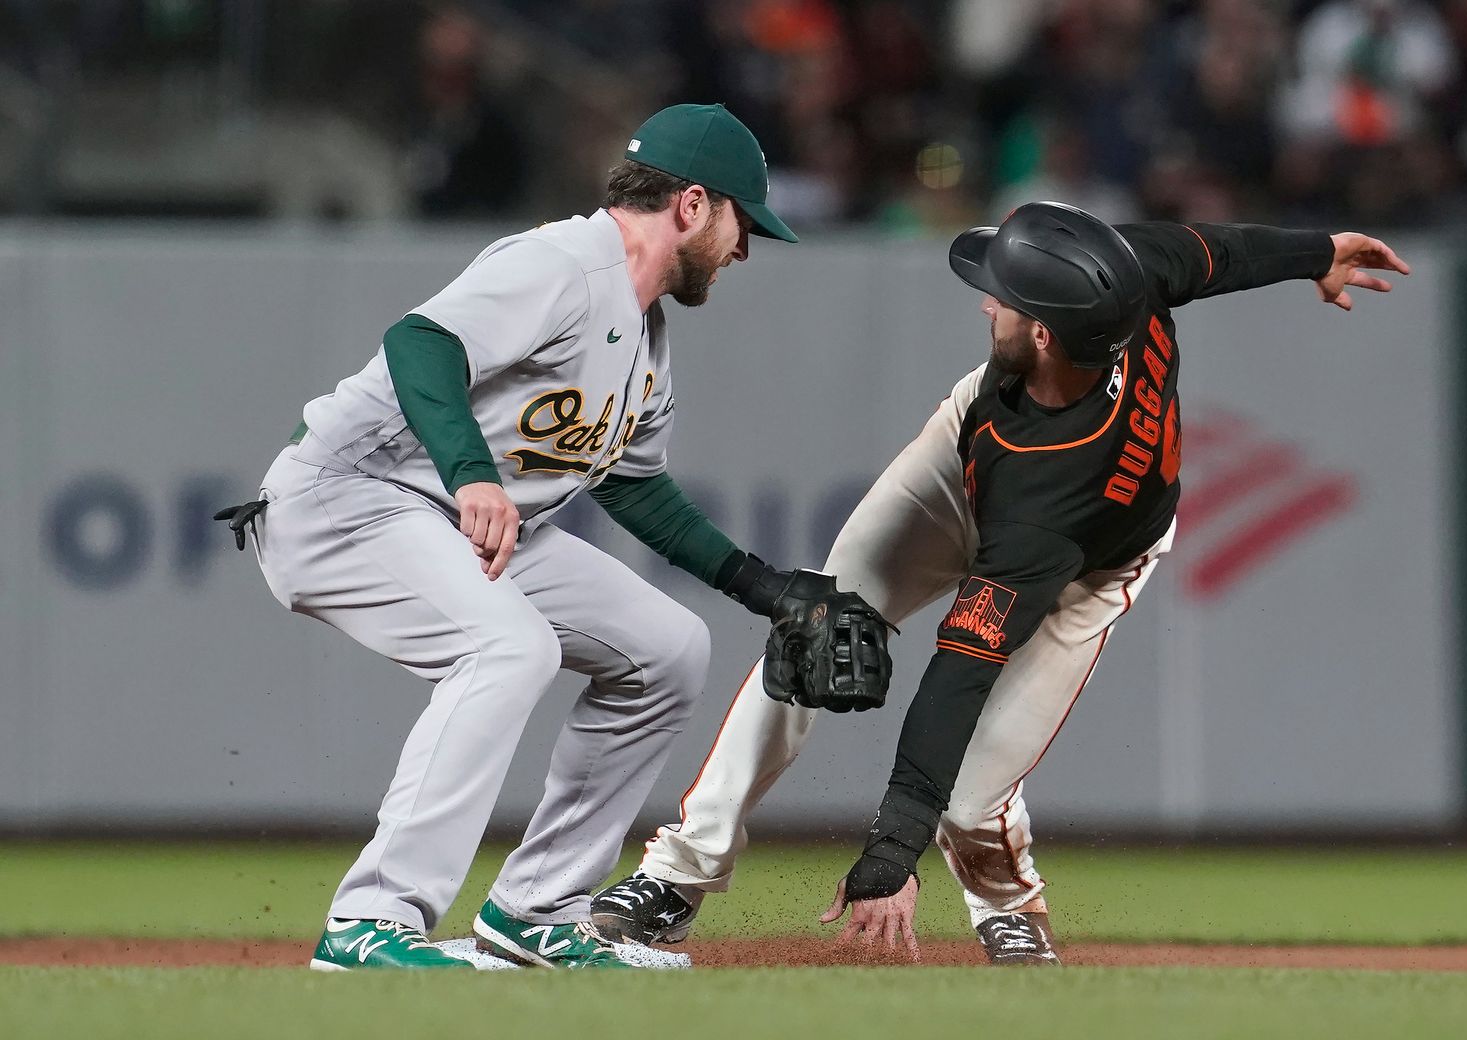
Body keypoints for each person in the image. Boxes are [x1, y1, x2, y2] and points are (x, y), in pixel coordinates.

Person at [591, 203, 1409, 964]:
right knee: (815, 630)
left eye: (1005, 298)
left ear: (1048, 337)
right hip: (965, 466)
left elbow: (961, 675)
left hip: (1088, 564)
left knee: (972, 798)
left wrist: (892, 849)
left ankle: (1003, 902)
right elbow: (1223, 253)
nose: (988, 304)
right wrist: (1318, 254)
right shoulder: (1126, 274)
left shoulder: (1041, 508)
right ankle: (679, 874)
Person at [219, 103, 845, 971]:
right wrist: (474, 474)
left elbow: (635, 488)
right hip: (344, 498)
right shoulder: (562, 263)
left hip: (443, 518)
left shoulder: (649, 339)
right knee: (508, 647)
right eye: (745, 223)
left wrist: (761, 587)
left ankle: (539, 909)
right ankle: (371, 921)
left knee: (667, 650)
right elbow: (421, 341)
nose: (745, 249)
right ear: (693, 206)